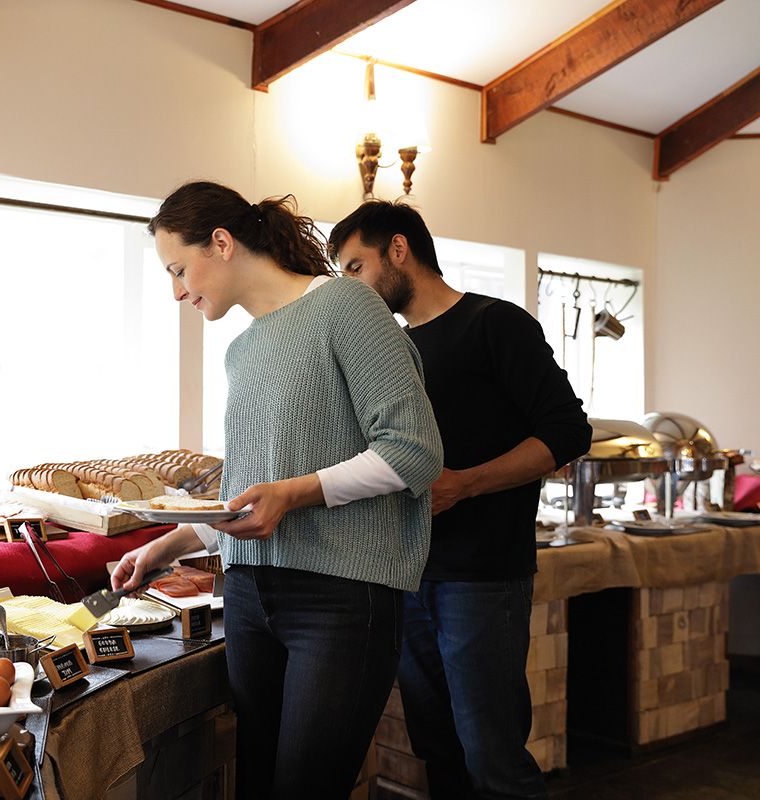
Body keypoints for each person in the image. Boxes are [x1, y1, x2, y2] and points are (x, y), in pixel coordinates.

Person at [111, 181, 443, 800]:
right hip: (248, 596)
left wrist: (294, 494)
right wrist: (162, 548)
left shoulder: (345, 304)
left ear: (222, 242)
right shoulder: (242, 351)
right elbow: (246, 492)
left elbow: (414, 450)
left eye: (179, 269)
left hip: (341, 601)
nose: (177, 291)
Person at [328, 200, 592, 800]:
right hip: (408, 576)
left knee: (492, 759)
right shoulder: (387, 350)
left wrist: (466, 482)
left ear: (399, 250)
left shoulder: (496, 324)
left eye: (354, 267)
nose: (351, 286)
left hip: (482, 577)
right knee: (437, 754)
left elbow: (568, 431)